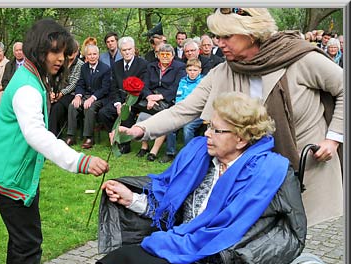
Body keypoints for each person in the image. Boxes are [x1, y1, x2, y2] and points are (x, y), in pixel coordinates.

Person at [90, 92, 304, 264]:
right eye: (209, 126)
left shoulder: (268, 172)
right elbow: (168, 207)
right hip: (182, 248)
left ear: (242, 139)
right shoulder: (200, 157)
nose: (207, 135)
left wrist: (244, 259)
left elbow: (291, 233)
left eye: (216, 130)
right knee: (119, 262)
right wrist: (131, 198)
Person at [121, 8, 343, 227]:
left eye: (227, 36)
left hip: (304, 163)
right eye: (217, 36)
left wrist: (333, 139)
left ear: (251, 33)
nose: (219, 43)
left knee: (294, 231)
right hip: (252, 173)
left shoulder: (299, 59)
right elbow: (183, 109)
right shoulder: (224, 71)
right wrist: (140, 129)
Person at [0, 19, 109, 264]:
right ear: (38, 49)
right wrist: (79, 161)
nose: (59, 59)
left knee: (20, 238)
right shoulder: (27, 85)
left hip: (13, 174)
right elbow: (37, 135)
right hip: (13, 177)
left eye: (63, 53)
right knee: (29, 243)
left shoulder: (31, 75)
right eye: (54, 52)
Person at [97, 36, 148, 154]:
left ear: (134, 49)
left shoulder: (143, 64)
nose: (127, 52)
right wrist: (118, 103)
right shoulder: (116, 66)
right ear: (120, 51)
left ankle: (125, 144)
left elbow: (143, 87)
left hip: (135, 101)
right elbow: (113, 87)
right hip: (119, 99)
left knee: (127, 114)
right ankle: (115, 137)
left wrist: (129, 103)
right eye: (124, 50)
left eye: (129, 49)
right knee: (103, 113)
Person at [135, 44, 185, 162]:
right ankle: (144, 146)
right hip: (150, 99)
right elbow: (144, 85)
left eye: (168, 54)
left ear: (173, 56)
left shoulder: (180, 67)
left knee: (163, 120)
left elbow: (176, 87)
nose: (165, 57)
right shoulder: (151, 66)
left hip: (168, 100)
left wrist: (159, 97)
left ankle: (154, 151)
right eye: (162, 54)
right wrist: (149, 97)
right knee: (142, 117)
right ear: (158, 55)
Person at [66, 44, 111, 149]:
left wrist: (92, 98)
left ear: (98, 55)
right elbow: (80, 84)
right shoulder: (84, 67)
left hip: (100, 97)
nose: (92, 56)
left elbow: (105, 89)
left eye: (94, 54)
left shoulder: (105, 68)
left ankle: (89, 137)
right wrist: (78, 96)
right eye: (89, 54)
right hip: (86, 95)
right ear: (86, 56)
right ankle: (71, 136)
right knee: (73, 105)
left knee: (89, 107)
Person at [160, 58, 203, 163]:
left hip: (198, 113)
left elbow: (202, 100)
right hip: (183, 111)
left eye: (195, 70)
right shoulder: (183, 81)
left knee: (187, 128)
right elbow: (179, 98)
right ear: (186, 70)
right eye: (190, 70)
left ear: (200, 70)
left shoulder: (203, 82)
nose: (192, 73)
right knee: (171, 126)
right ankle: (170, 153)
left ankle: (188, 154)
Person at [48, 40, 84, 137]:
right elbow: (54, 78)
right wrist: (53, 92)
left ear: (77, 51)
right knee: (47, 103)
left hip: (72, 94)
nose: (71, 53)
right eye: (69, 50)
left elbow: (74, 83)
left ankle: (53, 135)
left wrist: (61, 94)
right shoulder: (61, 62)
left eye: (73, 51)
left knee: (57, 107)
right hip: (58, 92)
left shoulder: (80, 64)